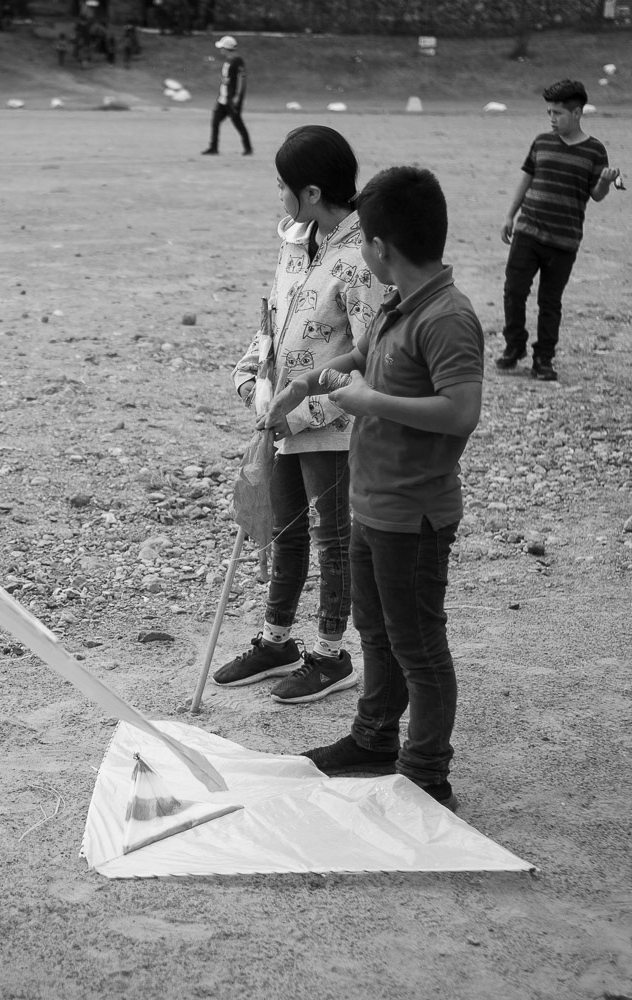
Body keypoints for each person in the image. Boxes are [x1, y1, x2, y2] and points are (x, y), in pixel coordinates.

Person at [262, 166, 484, 812]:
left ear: (382, 247)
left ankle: (426, 770)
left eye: (364, 241)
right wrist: (313, 380)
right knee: (377, 630)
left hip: (413, 514)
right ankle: (374, 738)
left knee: (418, 643)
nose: (360, 252)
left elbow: (461, 410)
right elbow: (363, 356)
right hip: (374, 503)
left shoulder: (447, 317)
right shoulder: (398, 301)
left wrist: (369, 403)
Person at [219, 126, 388, 704]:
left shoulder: (362, 258)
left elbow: (368, 363)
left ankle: (329, 653)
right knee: (286, 534)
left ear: (312, 191)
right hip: (281, 419)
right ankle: (277, 639)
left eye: (283, 186)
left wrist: (304, 409)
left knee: (332, 540)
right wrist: (251, 374)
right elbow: (274, 321)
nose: (279, 195)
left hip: (332, 430)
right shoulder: (295, 240)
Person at [497, 79, 621, 381]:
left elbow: (597, 194)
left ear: (577, 113)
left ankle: (544, 359)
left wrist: (605, 180)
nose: (552, 119)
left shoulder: (594, 150)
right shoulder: (541, 142)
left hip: (564, 240)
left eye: (558, 113)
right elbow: (526, 180)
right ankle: (515, 346)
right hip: (528, 231)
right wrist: (510, 215)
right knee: (514, 290)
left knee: (549, 302)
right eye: (549, 113)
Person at [202, 35, 251, 156]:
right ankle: (213, 147)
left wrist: (237, 97)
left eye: (222, 47)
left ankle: (248, 148)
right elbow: (227, 78)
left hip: (231, 99)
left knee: (238, 123)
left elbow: (241, 80)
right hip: (223, 98)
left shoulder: (238, 61)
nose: (220, 50)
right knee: (215, 121)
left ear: (227, 48)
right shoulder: (228, 60)